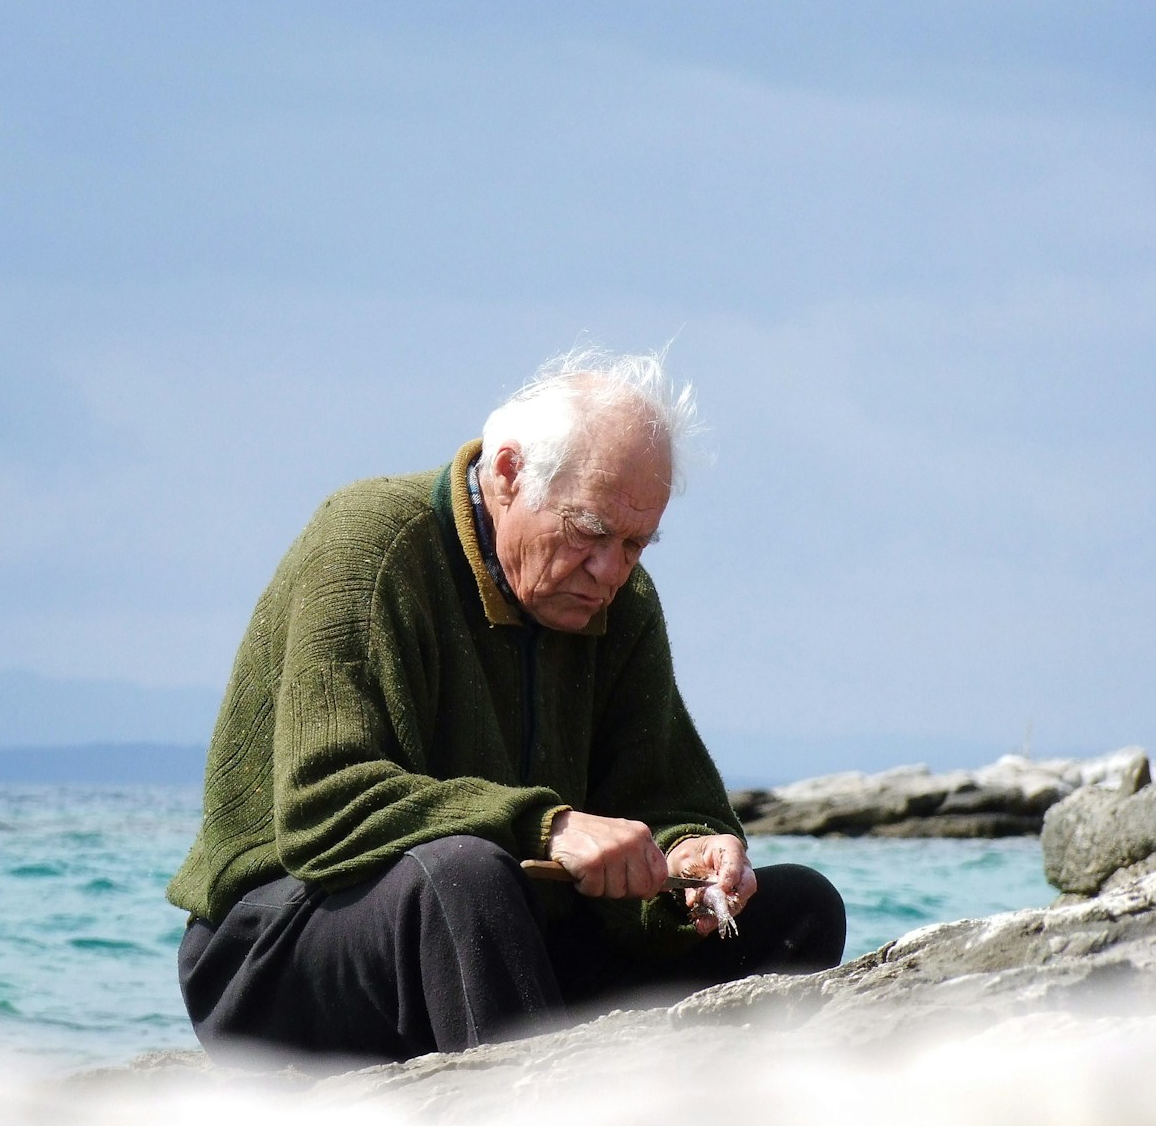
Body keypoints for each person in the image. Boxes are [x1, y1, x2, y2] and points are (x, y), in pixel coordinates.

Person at [167, 349, 846, 1068]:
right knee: (463, 874)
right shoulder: (368, 545)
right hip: (283, 953)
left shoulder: (620, 602)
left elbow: (663, 795)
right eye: (587, 532)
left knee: (799, 908)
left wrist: (692, 856)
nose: (609, 572)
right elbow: (321, 805)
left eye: (634, 545)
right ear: (507, 474)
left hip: (510, 943)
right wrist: (547, 828)